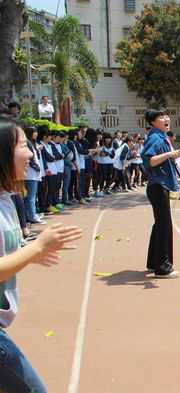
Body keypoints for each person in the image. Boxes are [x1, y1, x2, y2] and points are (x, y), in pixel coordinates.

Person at [0, 117, 82, 393]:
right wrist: (35, 248)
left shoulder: (7, 200)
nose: (32, 153)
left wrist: (29, 253)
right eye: (23, 145)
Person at [141, 110, 180, 279]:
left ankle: (154, 263)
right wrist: (170, 154)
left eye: (166, 116)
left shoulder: (162, 137)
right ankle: (163, 268)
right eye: (161, 117)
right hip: (158, 186)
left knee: (160, 225)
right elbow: (149, 160)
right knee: (164, 226)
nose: (166, 119)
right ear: (152, 122)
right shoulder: (155, 137)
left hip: (160, 185)